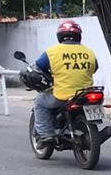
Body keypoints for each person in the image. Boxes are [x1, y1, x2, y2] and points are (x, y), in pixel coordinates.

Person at [33, 19, 98, 148]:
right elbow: (95, 68)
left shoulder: (52, 52)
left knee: (39, 102)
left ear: (60, 36)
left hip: (63, 95)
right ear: (78, 36)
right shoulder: (89, 52)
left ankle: (45, 135)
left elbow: (39, 67)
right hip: (87, 93)